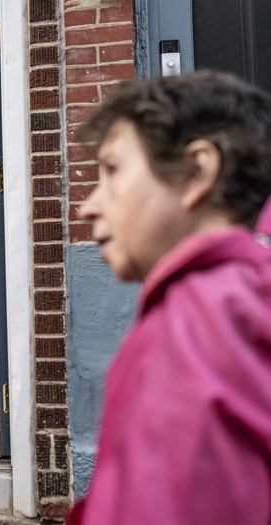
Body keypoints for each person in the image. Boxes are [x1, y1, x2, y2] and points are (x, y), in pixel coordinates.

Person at [69, 71, 271, 524]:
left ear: (197, 171)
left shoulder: (196, 324)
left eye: (114, 171)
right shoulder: (248, 296)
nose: (87, 206)